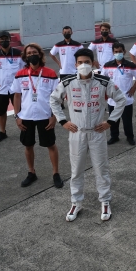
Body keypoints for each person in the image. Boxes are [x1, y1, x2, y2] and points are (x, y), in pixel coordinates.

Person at [50, 48, 126, 222]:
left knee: (101, 169)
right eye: (80, 62)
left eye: (87, 62)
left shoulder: (104, 81)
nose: (83, 65)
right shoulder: (68, 82)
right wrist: (63, 121)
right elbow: (53, 100)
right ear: (75, 64)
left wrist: (111, 121)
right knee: (76, 170)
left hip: (97, 132)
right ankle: (76, 202)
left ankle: (105, 200)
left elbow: (121, 99)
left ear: (93, 63)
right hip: (77, 133)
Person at [11, 43, 63, 189]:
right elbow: (16, 96)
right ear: (25, 57)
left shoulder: (50, 73)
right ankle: (31, 172)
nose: (31, 55)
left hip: (45, 115)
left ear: (40, 55)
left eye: (34, 52)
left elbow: (57, 96)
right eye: (28, 53)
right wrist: (17, 116)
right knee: (28, 145)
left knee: (51, 145)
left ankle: (55, 173)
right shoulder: (20, 74)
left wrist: (54, 116)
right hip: (26, 116)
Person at [101, 42, 136, 145]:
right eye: (116, 52)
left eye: (120, 51)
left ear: (124, 52)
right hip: (112, 99)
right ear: (113, 52)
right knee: (113, 119)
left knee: (127, 120)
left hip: (126, 99)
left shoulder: (131, 65)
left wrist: (133, 88)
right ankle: (114, 136)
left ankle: (130, 137)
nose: (118, 53)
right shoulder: (107, 65)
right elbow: (102, 79)